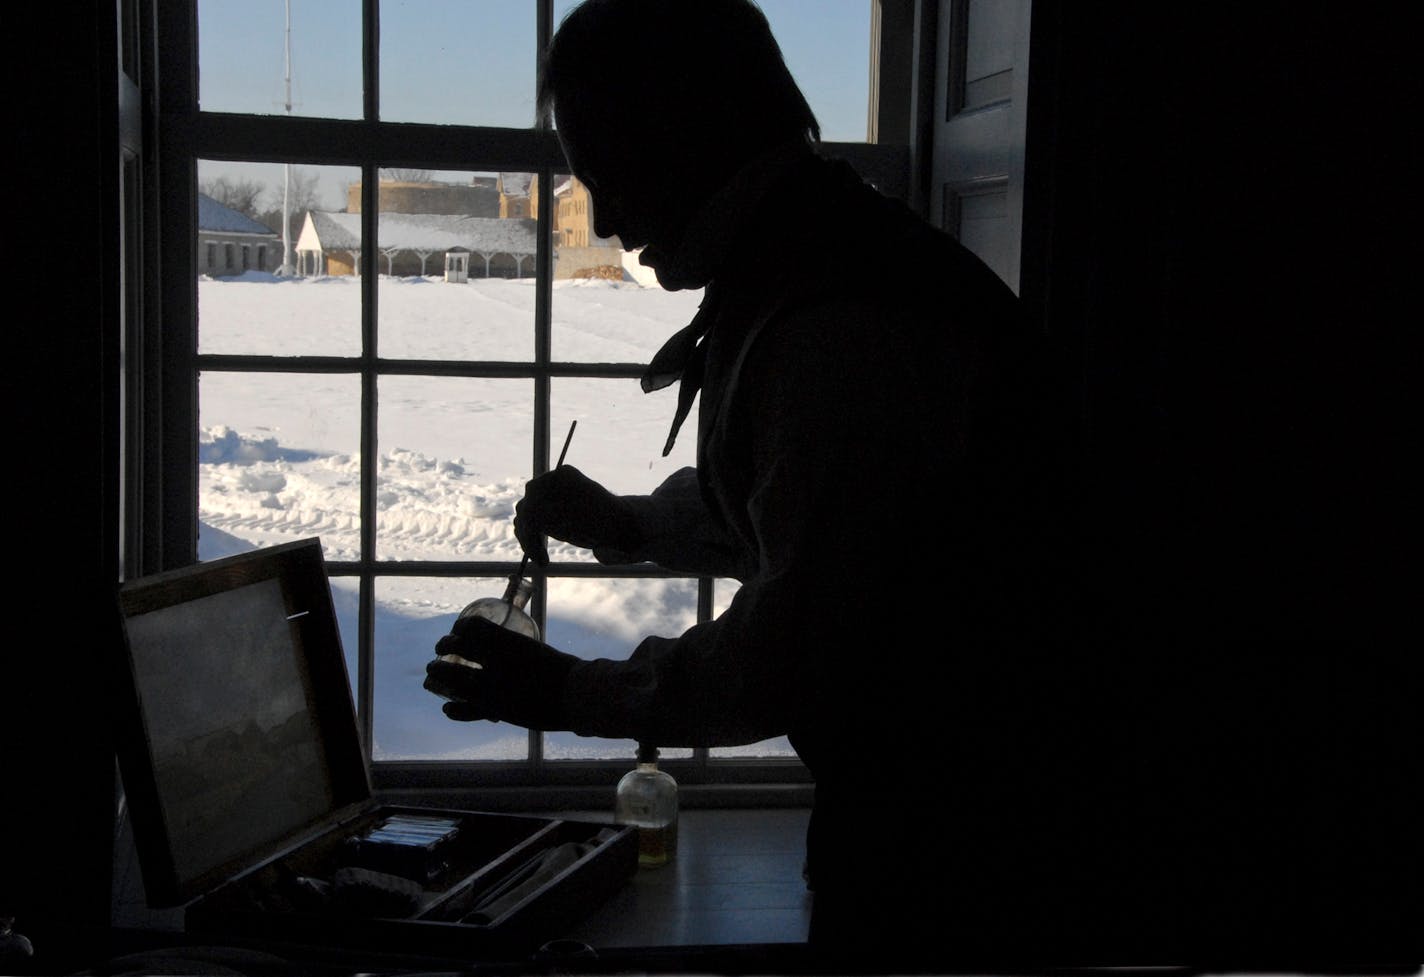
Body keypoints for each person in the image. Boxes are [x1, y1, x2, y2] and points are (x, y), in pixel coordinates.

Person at [425, 0, 1081, 967]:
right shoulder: (823, 257)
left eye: (608, 175)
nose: (604, 220)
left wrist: (566, 690)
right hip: (952, 819)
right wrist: (632, 521)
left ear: (686, 132)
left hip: (971, 850)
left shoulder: (843, 325)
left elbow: (792, 650)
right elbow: (812, 496)